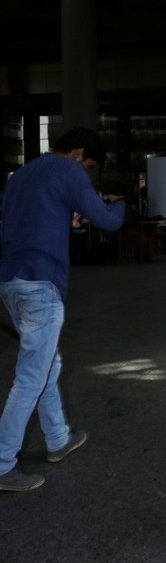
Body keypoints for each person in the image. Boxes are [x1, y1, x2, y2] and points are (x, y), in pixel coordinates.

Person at [0, 128, 127, 491]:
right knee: (30, 376)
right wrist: (118, 203)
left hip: (11, 279)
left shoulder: (23, 173)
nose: (85, 173)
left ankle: (57, 438)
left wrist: (65, 220)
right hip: (42, 282)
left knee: (46, 364)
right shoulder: (69, 170)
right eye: (88, 165)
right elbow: (108, 220)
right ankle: (2, 462)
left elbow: (27, 221)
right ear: (78, 154)